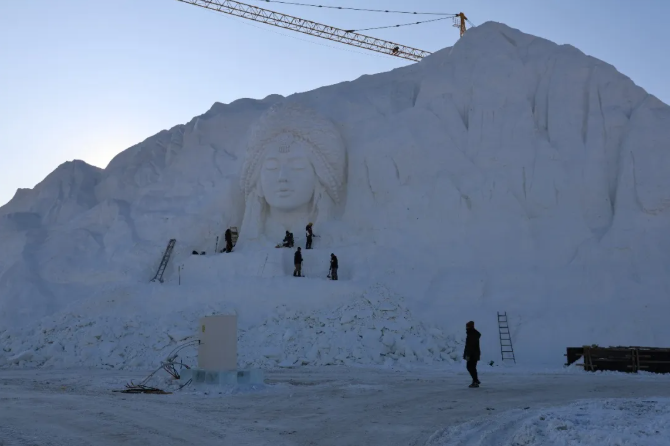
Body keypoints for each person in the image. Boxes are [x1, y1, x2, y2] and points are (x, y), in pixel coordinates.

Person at [463, 321, 481, 388]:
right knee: (472, 367)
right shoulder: (472, 334)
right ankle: (475, 380)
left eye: (467, 326)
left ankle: (475, 381)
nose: (466, 328)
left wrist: (468, 355)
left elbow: (470, 346)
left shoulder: (471, 334)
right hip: (474, 354)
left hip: (472, 354)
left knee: (470, 367)